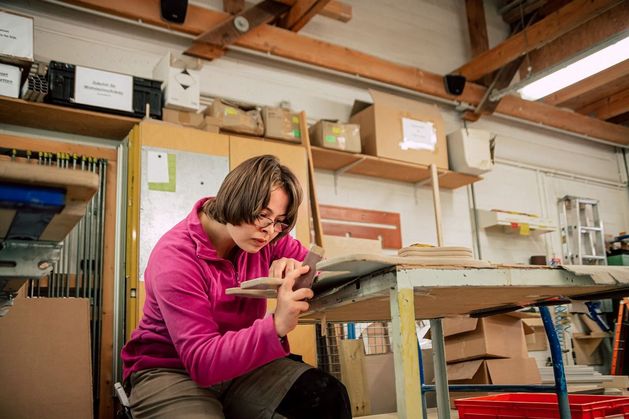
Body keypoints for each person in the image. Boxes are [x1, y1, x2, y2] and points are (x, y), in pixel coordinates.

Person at [121, 155, 351, 419]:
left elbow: (323, 270)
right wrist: (275, 325)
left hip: (242, 365)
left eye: (279, 221)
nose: (269, 231)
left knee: (327, 397)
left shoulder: (268, 238)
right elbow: (202, 363)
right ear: (235, 200)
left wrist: (299, 269)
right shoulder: (175, 256)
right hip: (171, 368)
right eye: (262, 215)